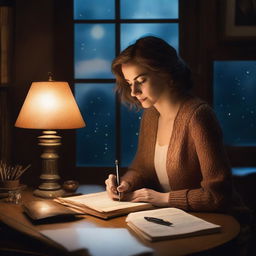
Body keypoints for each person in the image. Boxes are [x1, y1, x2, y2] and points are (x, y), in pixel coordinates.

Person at [105, 35, 244, 213]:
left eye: (140, 81)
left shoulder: (198, 116)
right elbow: (142, 169)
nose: (133, 92)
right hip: (176, 219)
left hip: (220, 222)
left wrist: (163, 198)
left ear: (166, 72)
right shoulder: (151, 116)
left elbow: (217, 195)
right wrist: (125, 184)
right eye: (129, 83)